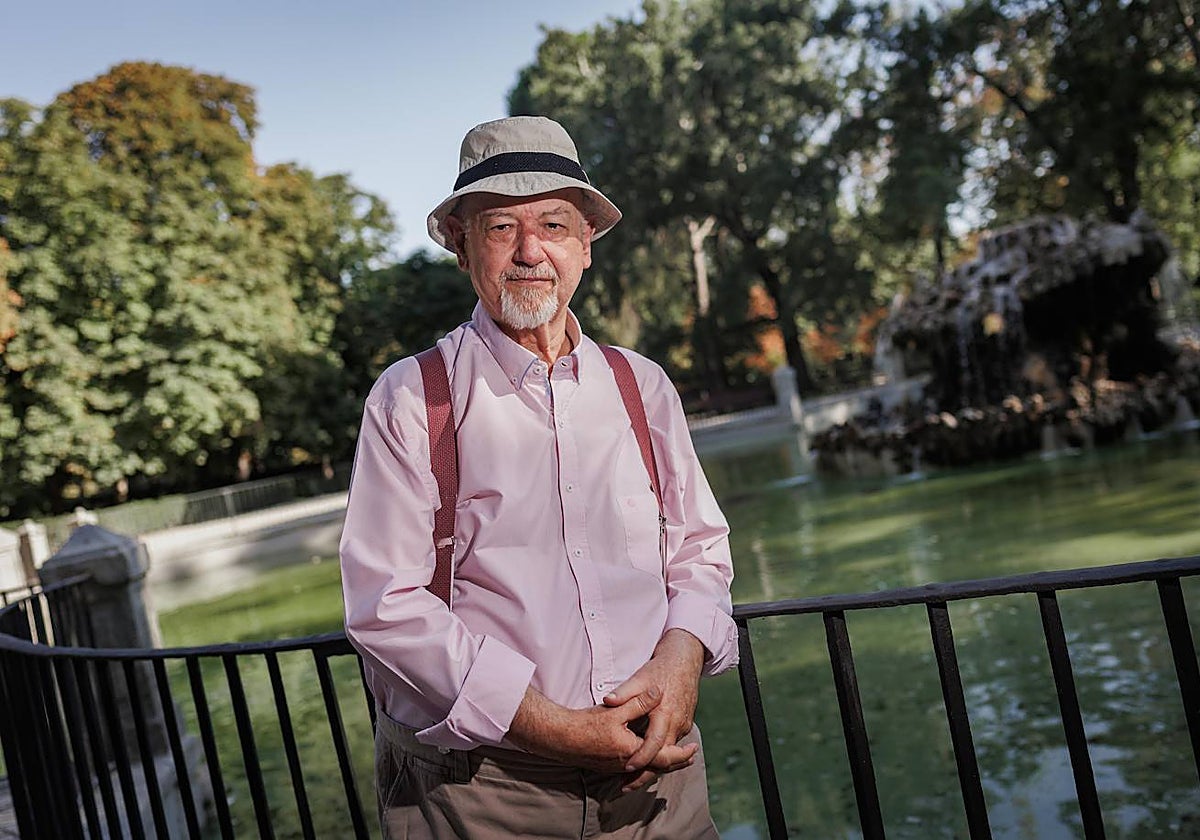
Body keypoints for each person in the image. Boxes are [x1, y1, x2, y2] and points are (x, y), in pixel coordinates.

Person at [340, 115, 738, 839]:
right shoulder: (411, 397)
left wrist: (684, 659)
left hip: (662, 785)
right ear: (461, 246)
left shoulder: (641, 386)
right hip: (485, 795)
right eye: (499, 228)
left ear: (585, 243)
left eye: (553, 223)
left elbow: (700, 550)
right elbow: (385, 605)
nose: (531, 252)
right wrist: (550, 726)